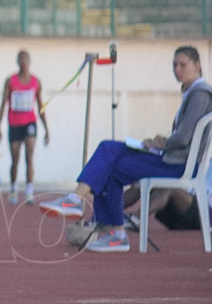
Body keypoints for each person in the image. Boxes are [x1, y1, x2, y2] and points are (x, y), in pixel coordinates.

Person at [41, 46, 212, 252]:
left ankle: (83, 206)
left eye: (183, 65)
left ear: (196, 66)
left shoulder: (200, 95)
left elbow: (184, 138)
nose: (177, 69)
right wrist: (160, 141)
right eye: (174, 65)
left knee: (109, 158)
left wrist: (161, 144)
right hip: (172, 158)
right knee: (109, 153)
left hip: (177, 164)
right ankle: (104, 224)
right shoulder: (192, 94)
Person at [0, 50, 50, 205]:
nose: (24, 63)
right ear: (17, 62)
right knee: (15, 159)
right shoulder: (11, 81)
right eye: (21, 60)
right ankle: (13, 187)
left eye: (26, 59)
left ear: (30, 62)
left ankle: (29, 190)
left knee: (29, 156)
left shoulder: (36, 82)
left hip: (29, 123)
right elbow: (3, 104)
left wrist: (47, 129)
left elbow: (41, 106)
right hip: (14, 124)